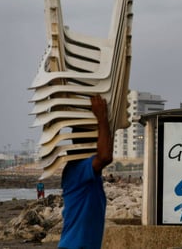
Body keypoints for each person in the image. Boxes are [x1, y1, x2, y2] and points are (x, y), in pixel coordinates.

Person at [58, 95, 113, 249]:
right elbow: (105, 156)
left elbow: (105, 152)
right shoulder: (78, 168)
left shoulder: (86, 171)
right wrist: (102, 118)